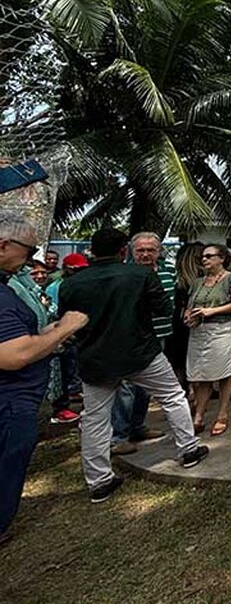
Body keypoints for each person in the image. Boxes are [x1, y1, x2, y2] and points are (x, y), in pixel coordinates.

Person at [59, 228, 209, 503]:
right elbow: (163, 310)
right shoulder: (141, 275)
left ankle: (99, 481)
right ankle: (188, 450)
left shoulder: (72, 283)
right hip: (141, 354)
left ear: (92, 250)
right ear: (123, 251)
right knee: (174, 396)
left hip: (96, 360)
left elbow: (67, 324)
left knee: (95, 419)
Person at [0, 211, 88, 539]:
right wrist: (64, 328)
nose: (31, 260)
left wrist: (46, 335)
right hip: (10, 403)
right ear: (4, 245)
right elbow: (14, 355)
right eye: (29, 250)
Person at [109, 232, 178, 453]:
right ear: (131, 251)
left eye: (151, 250)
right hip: (130, 338)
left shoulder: (169, 270)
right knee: (126, 388)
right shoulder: (123, 272)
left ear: (159, 251)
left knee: (146, 388)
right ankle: (119, 436)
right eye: (140, 250)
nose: (146, 254)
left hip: (160, 336)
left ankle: (138, 426)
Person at [184, 244, 231, 436]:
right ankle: (199, 415)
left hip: (222, 330)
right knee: (201, 375)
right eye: (203, 256)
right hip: (198, 331)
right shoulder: (197, 282)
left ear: (221, 258)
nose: (205, 259)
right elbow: (189, 305)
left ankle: (222, 414)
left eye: (209, 256)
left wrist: (212, 311)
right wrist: (188, 316)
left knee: (224, 373)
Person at [46, 252, 89, 424]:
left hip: (78, 333)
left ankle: (72, 393)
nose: (79, 273)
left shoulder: (81, 284)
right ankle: (61, 407)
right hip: (63, 335)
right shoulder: (56, 287)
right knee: (62, 371)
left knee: (73, 367)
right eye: (75, 270)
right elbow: (56, 313)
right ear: (66, 269)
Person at [167, 242, 203, 386]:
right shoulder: (201, 281)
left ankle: (183, 394)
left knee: (178, 363)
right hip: (192, 324)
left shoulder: (176, 278)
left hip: (176, 324)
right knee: (193, 361)